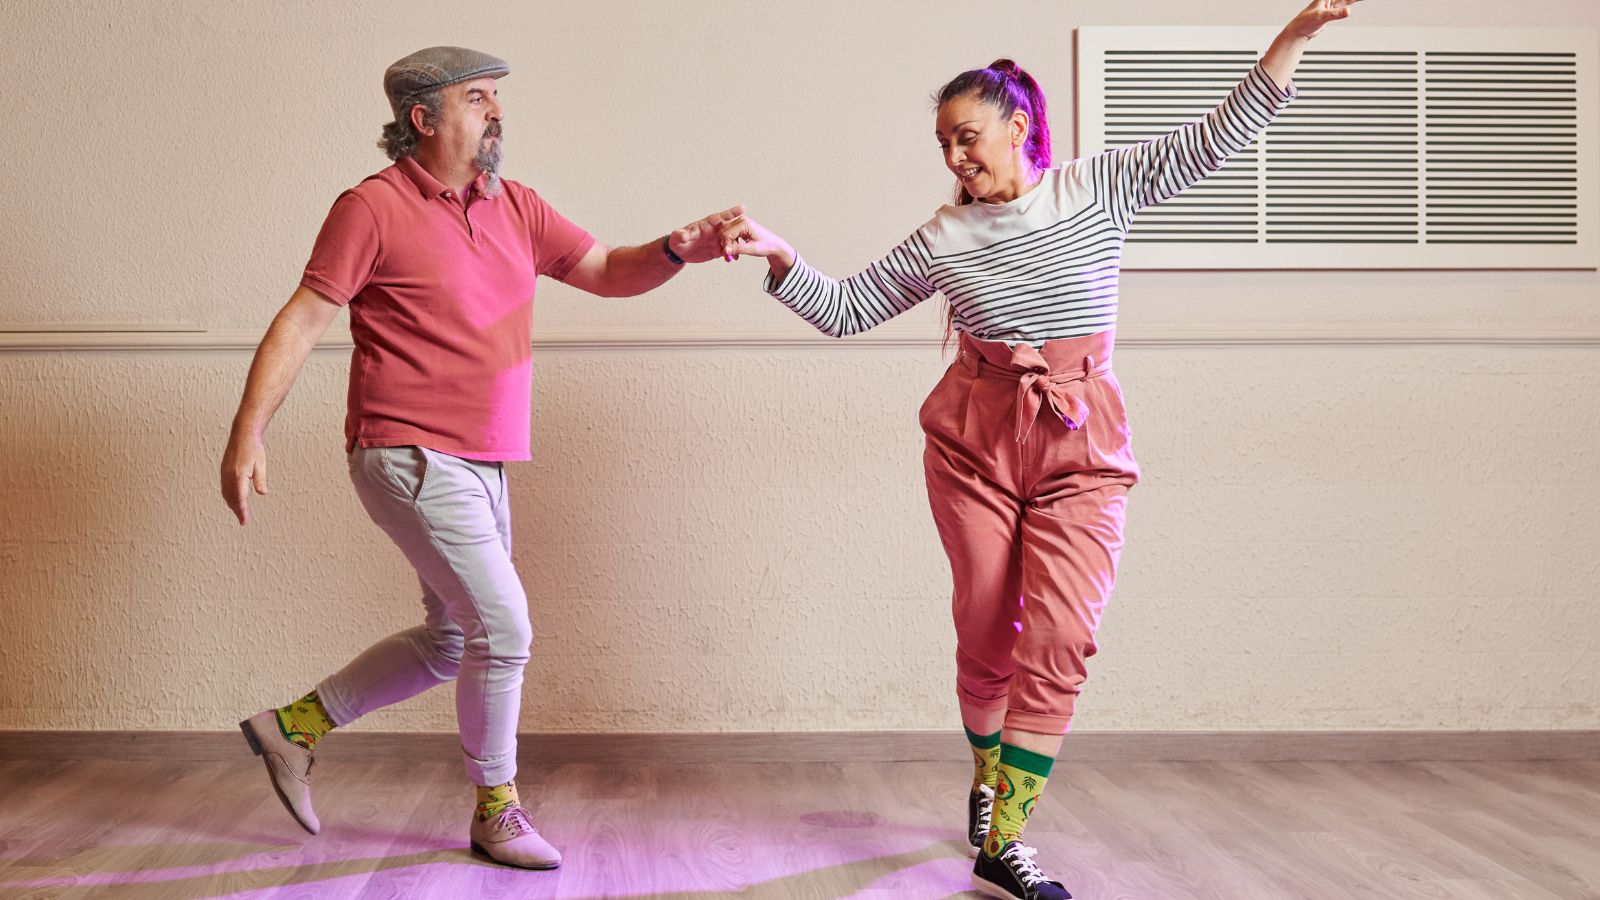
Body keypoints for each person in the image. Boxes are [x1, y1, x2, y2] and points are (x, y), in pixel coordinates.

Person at [715, 3, 1361, 897]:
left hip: (1081, 439)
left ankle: (1004, 839)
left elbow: (1221, 136)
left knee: (1060, 639)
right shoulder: (946, 236)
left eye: (967, 137)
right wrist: (783, 259)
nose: (953, 158)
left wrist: (1290, 40)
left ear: (1019, 127)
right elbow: (848, 309)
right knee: (986, 631)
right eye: (942, 143)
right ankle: (987, 783)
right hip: (977, 441)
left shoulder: (1099, 188)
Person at [220, 46, 740, 870]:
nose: (496, 112)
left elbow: (605, 271)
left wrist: (680, 248)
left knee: (454, 641)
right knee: (503, 627)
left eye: (497, 97)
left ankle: (293, 730)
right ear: (422, 119)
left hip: (485, 460)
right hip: (406, 450)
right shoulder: (372, 206)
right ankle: (496, 809)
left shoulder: (515, 206)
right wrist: (249, 432)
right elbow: (304, 318)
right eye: (477, 98)